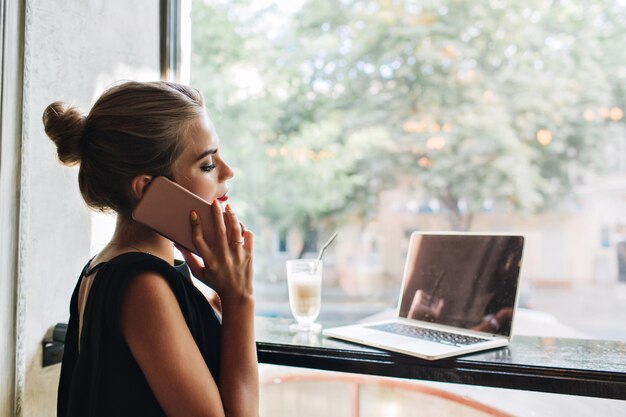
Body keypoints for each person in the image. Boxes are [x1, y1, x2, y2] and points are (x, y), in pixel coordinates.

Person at [43, 81, 258, 417]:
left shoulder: (109, 268)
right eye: (207, 164)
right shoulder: (143, 286)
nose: (228, 172)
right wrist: (240, 300)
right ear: (148, 189)